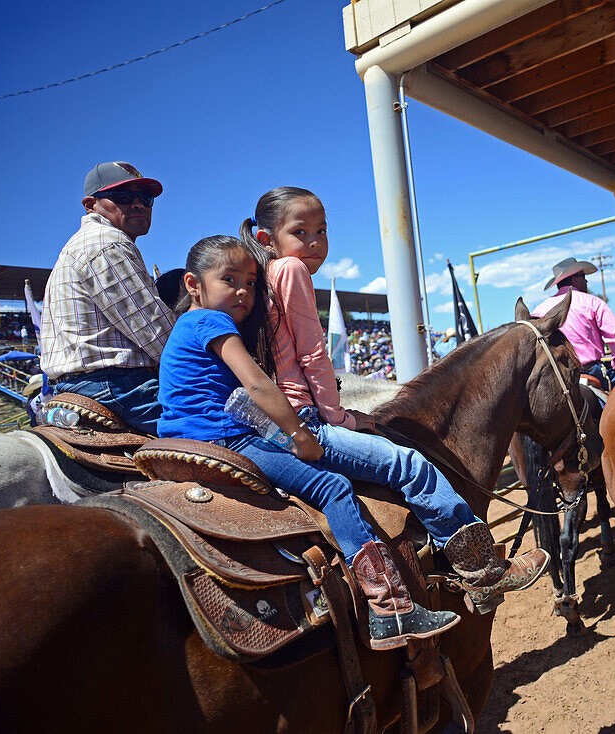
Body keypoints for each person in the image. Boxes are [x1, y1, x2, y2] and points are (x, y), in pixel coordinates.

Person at [240, 186, 550, 615]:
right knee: (411, 466)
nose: (314, 243)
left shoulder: (265, 276)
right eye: (301, 231)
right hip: (307, 419)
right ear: (265, 237)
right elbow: (313, 354)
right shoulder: (291, 270)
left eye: (321, 231)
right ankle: (481, 570)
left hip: (274, 424)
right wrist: (339, 417)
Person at [156, 235, 461, 649]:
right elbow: (257, 385)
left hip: (184, 441)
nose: (243, 290)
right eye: (229, 279)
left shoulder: (184, 326)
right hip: (225, 438)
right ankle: (390, 608)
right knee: (333, 486)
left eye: (249, 281)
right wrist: (301, 437)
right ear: (194, 284)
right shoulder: (212, 321)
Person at [40, 162, 175, 434]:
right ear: (91, 205)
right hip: (118, 387)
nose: (138, 205)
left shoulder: (83, 243)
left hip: (86, 384)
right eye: (124, 197)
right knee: (226, 432)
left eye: (145, 198)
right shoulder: (107, 242)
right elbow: (158, 335)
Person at [532, 257, 615, 387]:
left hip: (554, 374)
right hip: (590, 370)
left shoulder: (539, 310)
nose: (586, 280)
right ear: (574, 279)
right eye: (583, 276)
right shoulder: (592, 302)